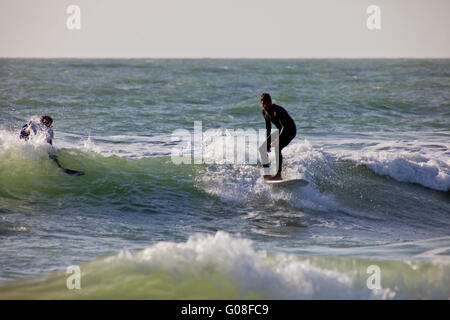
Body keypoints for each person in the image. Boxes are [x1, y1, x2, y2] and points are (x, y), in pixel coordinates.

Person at [19, 115, 83, 176]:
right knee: (51, 151)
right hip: (31, 142)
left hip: (25, 143)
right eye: (50, 124)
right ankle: (60, 167)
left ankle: (59, 167)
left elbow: (22, 135)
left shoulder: (32, 124)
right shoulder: (48, 131)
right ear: (48, 123)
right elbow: (49, 144)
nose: (51, 126)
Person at [259, 93, 296, 181]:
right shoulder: (264, 112)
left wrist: (277, 140)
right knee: (262, 149)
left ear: (271, 102)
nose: (265, 106)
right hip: (281, 130)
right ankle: (267, 173)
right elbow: (268, 128)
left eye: (267, 104)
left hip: (290, 130)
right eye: (263, 104)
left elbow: (285, 126)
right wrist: (267, 145)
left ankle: (279, 174)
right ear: (261, 103)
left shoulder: (277, 111)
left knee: (277, 147)